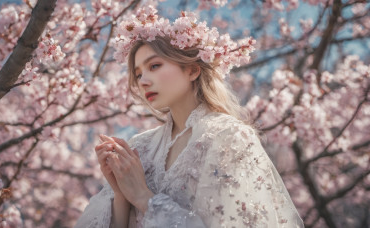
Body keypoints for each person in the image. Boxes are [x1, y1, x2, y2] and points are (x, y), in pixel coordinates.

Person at [75, 6, 304, 228]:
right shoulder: (140, 147)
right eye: (138, 74)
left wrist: (144, 197)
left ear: (193, 70)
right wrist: (121, 192)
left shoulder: (230, 137)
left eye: (154, 66)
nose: (143, 80)